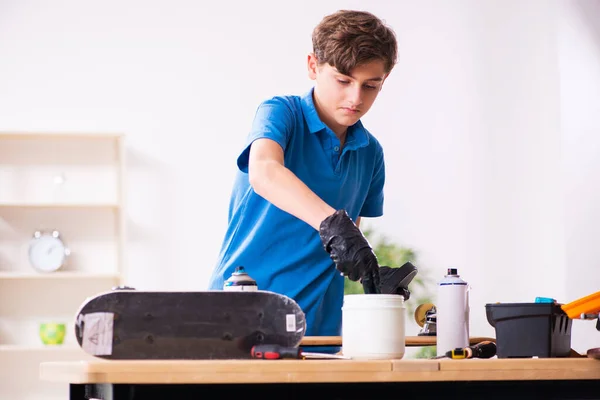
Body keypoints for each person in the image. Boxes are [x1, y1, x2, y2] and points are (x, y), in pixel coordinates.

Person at [208, 9, 400, 338]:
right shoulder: (282, 114)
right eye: (343, 80)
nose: (356, 98)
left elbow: (345, 244)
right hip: (242, 317)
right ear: (313, 66)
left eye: (371, 85)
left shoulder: (370, 153)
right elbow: (265, 171)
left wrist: (369, 271)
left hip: (319, 331)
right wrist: (333, 223)